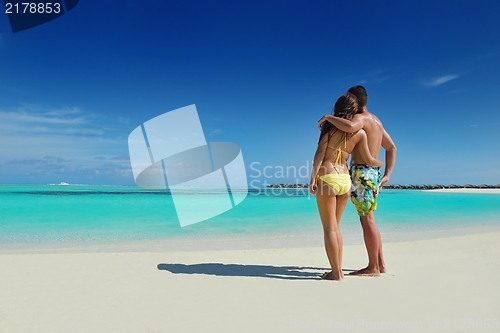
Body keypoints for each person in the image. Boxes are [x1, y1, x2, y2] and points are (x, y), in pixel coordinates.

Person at [317, 85, 397, 276]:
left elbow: (351, 127)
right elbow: (391, 148)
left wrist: (327, 118)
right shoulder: (377, 121)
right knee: (370, 218)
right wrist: (387, 174)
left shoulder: (360, 119)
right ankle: (381, 263)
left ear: (355, 100)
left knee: (367, 220)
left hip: (362, 172)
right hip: (372, 173)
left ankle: (373, 268)